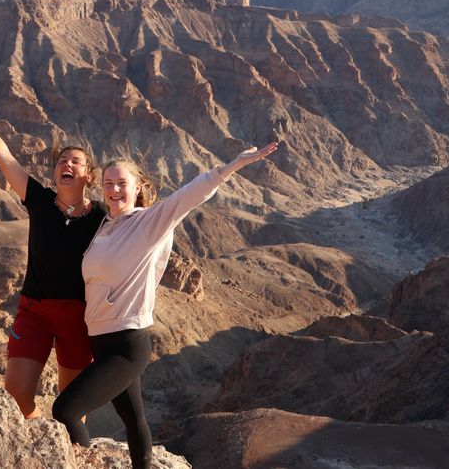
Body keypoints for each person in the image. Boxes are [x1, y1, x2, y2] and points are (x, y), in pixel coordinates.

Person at [52, 142, 279, 468]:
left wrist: (231, 167)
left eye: (121, 183)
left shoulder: (148, 222)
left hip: (126, 344)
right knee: (133, 419)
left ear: (137, 188)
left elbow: (189, 195)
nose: (114, 190)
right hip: (101, 341)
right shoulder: (104, 226)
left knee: (66, 410)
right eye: (108, 184)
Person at [0, 81, 105, 419]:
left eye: (76, 161)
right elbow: (3, 156)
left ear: (90, 176)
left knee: (72, 407)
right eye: (61, 160)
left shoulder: (102, 217)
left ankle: (68, 452)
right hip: (34, 312)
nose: (66, 163)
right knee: (17, 399)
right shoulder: (39, 200)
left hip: (80, 317)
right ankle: (40, 437)